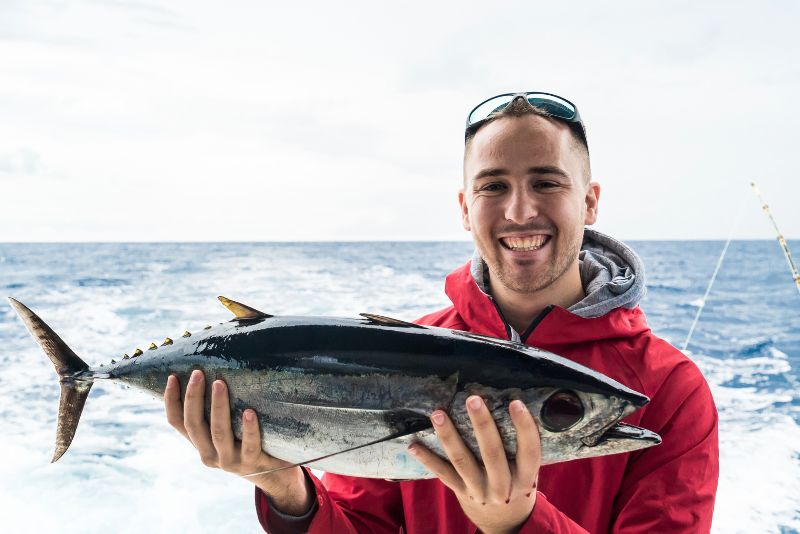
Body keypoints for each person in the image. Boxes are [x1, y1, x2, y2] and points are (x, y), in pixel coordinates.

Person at [164, 92, 719, 533]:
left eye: (546, 182)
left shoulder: (668, 390)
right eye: (493, 186)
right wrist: (287, 490)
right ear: (464, 207)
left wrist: (518, 525)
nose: (520, 210)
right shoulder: (405, 354)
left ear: (590, 200)